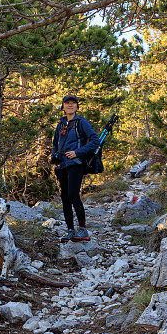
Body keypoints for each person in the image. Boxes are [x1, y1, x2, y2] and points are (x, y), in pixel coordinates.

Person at [50, 94, 100, 242]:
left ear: (77, 107)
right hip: (61, 166)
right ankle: (71, 231)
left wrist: (77, 153)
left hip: (75, 165)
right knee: (65, 198)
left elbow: (95, 141)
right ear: (63, 107)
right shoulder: (60, 124)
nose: (70, 105)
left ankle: (83, 229)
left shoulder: (81, 122)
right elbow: (55, 144)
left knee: (73, 195)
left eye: (73, 103)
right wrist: (54, 155)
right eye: (67, 103)